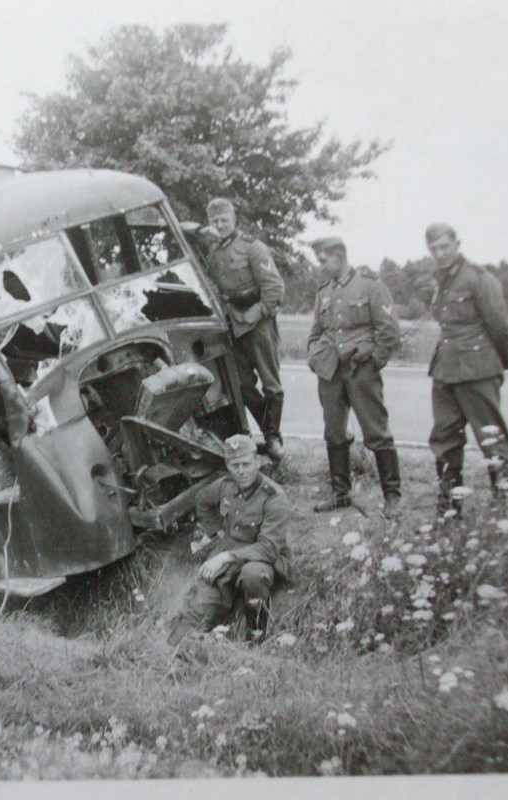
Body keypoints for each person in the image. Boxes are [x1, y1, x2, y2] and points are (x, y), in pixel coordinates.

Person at [307, 237, 403, 519]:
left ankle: (392, 497)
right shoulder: (323, 292)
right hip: (331, 371)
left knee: (376, 431)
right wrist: (315, 356)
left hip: (361, 369)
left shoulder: (370, 285)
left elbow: (389, 332)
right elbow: (316, 332)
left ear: (340, 255)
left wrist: (373, 362)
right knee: (334, 431)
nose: (321, 266)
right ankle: (340, 493)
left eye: (324, 260)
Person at [425, 223, 508, 515]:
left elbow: (501, 328)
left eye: (444, 247)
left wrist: (496, 365)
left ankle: (505, 506)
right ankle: (449, 507)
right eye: (434, 248)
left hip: (477, 371)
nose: (439, 253)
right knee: (445, 440)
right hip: (445, 371)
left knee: (492, 439)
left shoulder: (478, 278)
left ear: (457, 244)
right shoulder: (441, 280)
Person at [167, 434, 292, 645]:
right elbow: (202, 499)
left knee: (252, 575)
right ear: (228, 465)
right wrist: (217, 533)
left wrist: (226, 555)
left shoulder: (273, 497)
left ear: (258, 462)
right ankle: (178, 648)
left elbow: (269, 548)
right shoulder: (226, 485)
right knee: (198, 611)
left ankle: (256, 636)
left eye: (246, 464)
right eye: (235, 465)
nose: (241, 471)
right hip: (229, 557)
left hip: (260, 559)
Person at [203, 198, 286, 459]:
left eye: (224, 219)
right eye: (215, 221)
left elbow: (274, 288)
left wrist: (258, 312)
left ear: (234, 219)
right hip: (234, 326)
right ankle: (269, 435)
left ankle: (272, 438)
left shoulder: (253, 248)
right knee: (242, 384)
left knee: (271, 384)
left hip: (258, 322)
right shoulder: (214, 253)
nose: (220, 225)